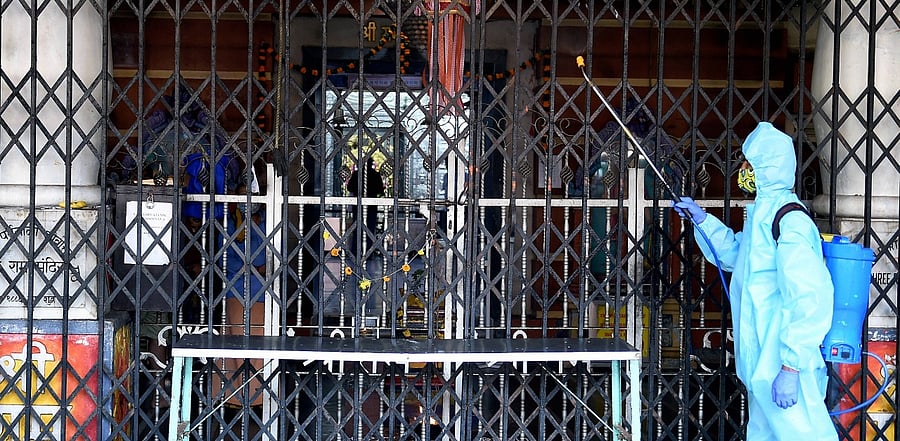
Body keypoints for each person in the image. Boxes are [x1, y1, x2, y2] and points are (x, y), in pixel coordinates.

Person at [672, 121, 837, 440]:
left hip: (784, 364)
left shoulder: (790, 221)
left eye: (750, 163)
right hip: (763, 366)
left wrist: (791, 367)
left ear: (768, 167)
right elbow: (738, 256)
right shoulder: (764, 213)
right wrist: (703, 221)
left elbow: (809, 296)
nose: (744, 169)